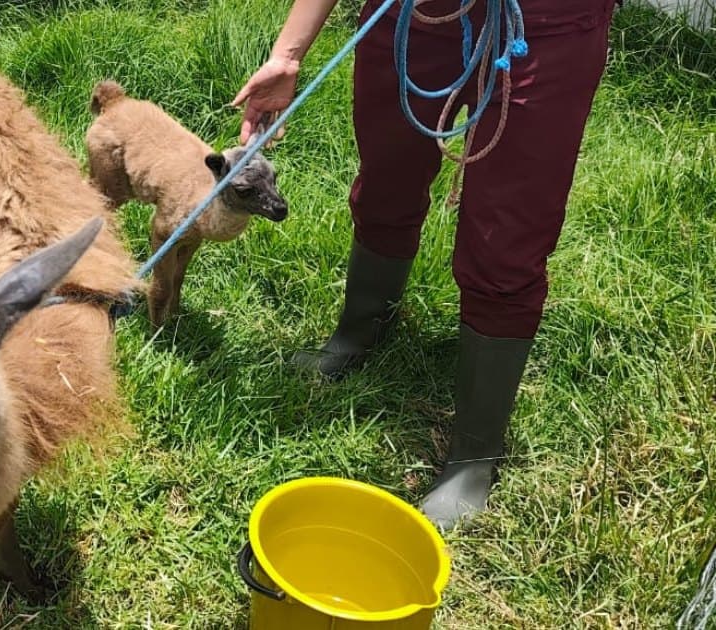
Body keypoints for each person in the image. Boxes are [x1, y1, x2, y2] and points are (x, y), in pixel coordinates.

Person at [232, 0, 617, 529]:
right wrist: (288, 55)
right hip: (415, 14)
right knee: (384, 187)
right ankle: (358, 332)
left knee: (506, 238)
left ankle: (474, 454)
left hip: (544, 27)